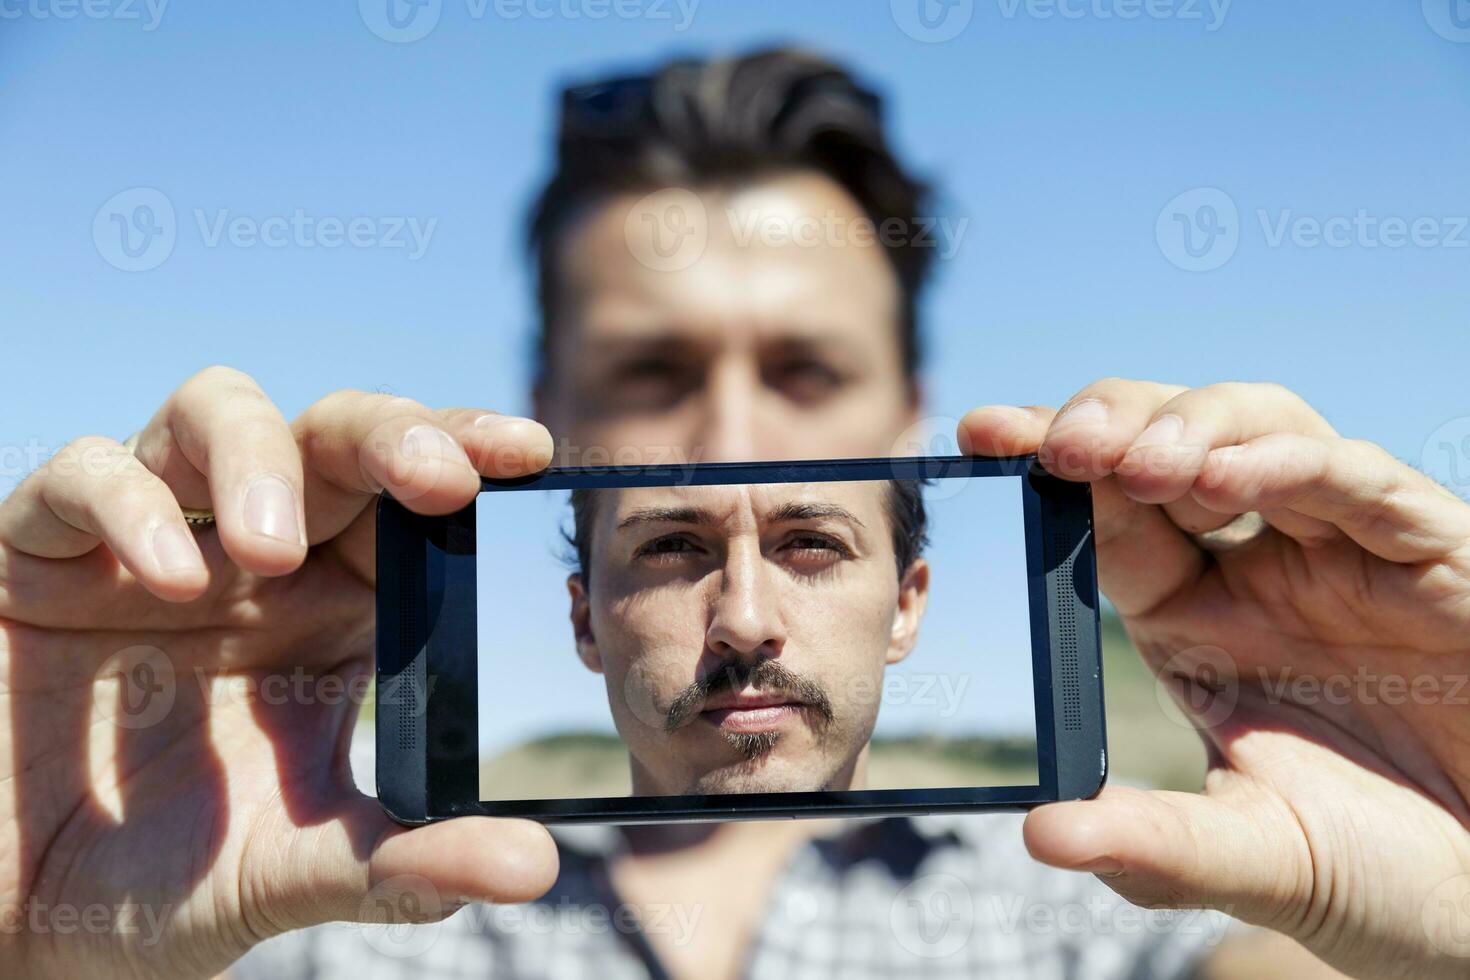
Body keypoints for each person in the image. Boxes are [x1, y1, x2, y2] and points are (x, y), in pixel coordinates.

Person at [2, 46, 1467, 980]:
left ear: (912, 565)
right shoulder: (332, 917)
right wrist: (29, 913)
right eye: (650, 372)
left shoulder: (1105, 910)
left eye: (806, 371)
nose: (732, 440)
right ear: (572, 595)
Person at [564, 480, 932, 796]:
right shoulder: (526, 874)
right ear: (587, 623)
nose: (745, 626)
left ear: (904, 607)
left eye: (811, 542)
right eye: (670, 546)